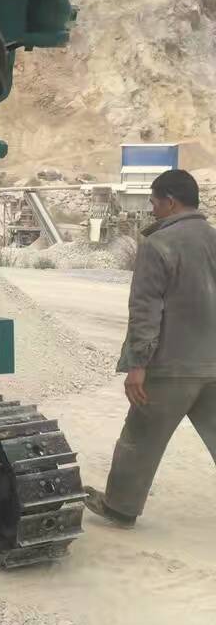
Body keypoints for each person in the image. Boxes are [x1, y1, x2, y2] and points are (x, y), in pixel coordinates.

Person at [85, 169, 216, 528]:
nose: (152, 208)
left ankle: (120, 508)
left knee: (140, 438)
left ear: (170, 201)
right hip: (213, 364)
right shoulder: (213, 238)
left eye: (154, 201)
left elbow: (145, 310)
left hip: (170, 367)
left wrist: (137, 365)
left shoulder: (158, 245)